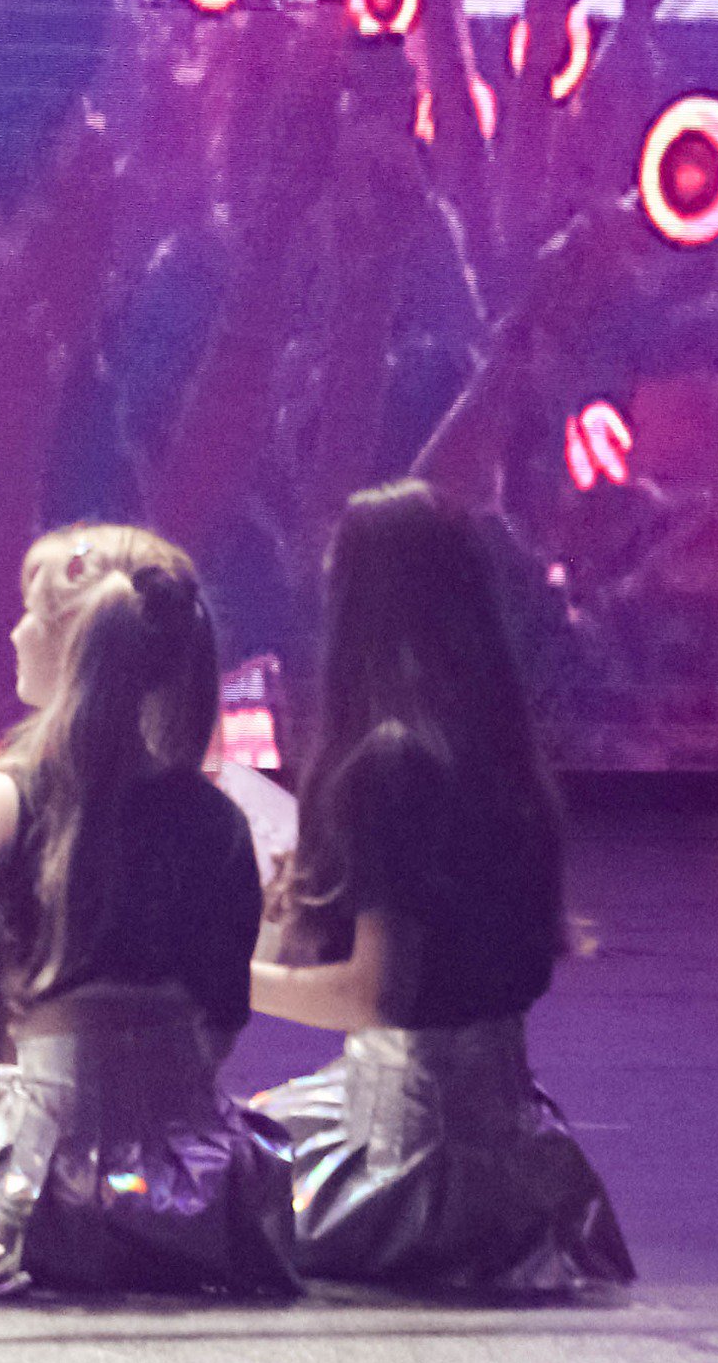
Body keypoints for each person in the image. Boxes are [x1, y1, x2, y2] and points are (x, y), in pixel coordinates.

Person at [246, 481, 634, 1288]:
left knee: (214, 1182)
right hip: (516, 1147)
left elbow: (372, 994)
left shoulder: (391, 765)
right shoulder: (495, 757)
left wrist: (224, 973)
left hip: (415, 1170)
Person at [0, 527, 298, 1296]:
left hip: (37, 1195)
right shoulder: (220, 823)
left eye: (31, 614)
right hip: (197, 1195)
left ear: (76, 643)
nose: (13, 633)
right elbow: (220, 1029)